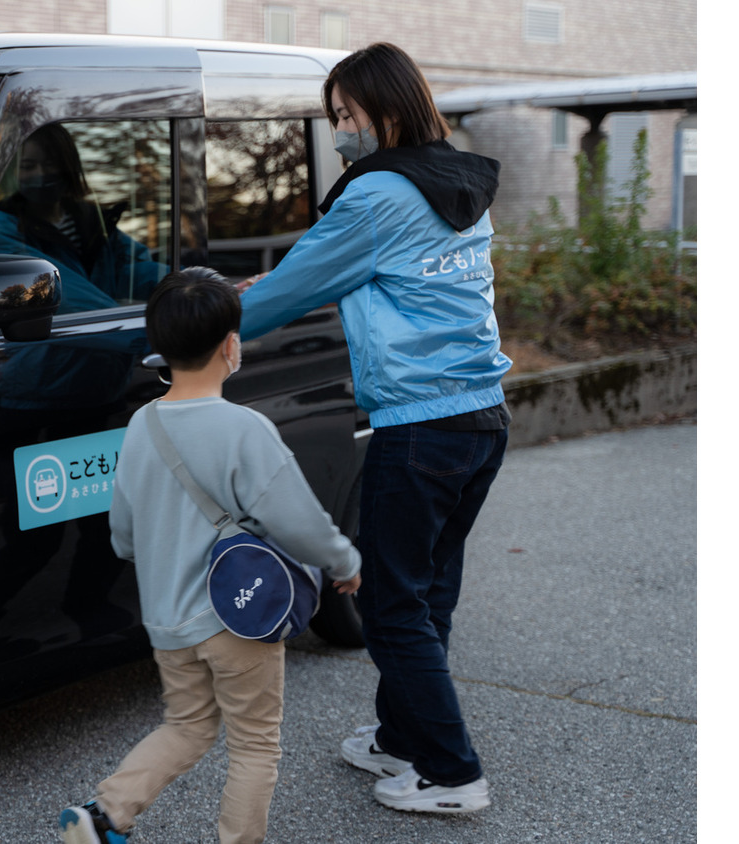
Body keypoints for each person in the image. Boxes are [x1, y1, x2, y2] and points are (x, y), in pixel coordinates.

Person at [237, 42, 510, 814]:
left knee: (390, 603)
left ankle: (454, 774)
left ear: (384, 111)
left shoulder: (379, 194)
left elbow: (291, 291)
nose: (341, 133)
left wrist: (182, 331)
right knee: (428, 593)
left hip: (421, 427)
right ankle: (402, 737)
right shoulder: (456, 182)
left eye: (346, 116)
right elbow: (346, 269)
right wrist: (288, 276)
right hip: (482, 417)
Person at [58, 268, 361, 844]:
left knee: (188, 726)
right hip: (237, 617)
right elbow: (297, 521)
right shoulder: (245, 429)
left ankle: (104, 815)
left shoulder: (141, 426)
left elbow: (122, 535)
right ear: (231, 346)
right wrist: (344, 562)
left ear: (161, 351)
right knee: (254, 744)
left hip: (169, 620)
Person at [0, 123, 166, 314]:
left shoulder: (94, 222)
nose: (41, 174)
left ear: (68, 166)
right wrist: (138, 339)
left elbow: (135, 270)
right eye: (28, 166)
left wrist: (190, 282)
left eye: (50, 164)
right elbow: (61, 293)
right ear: (12, 173)